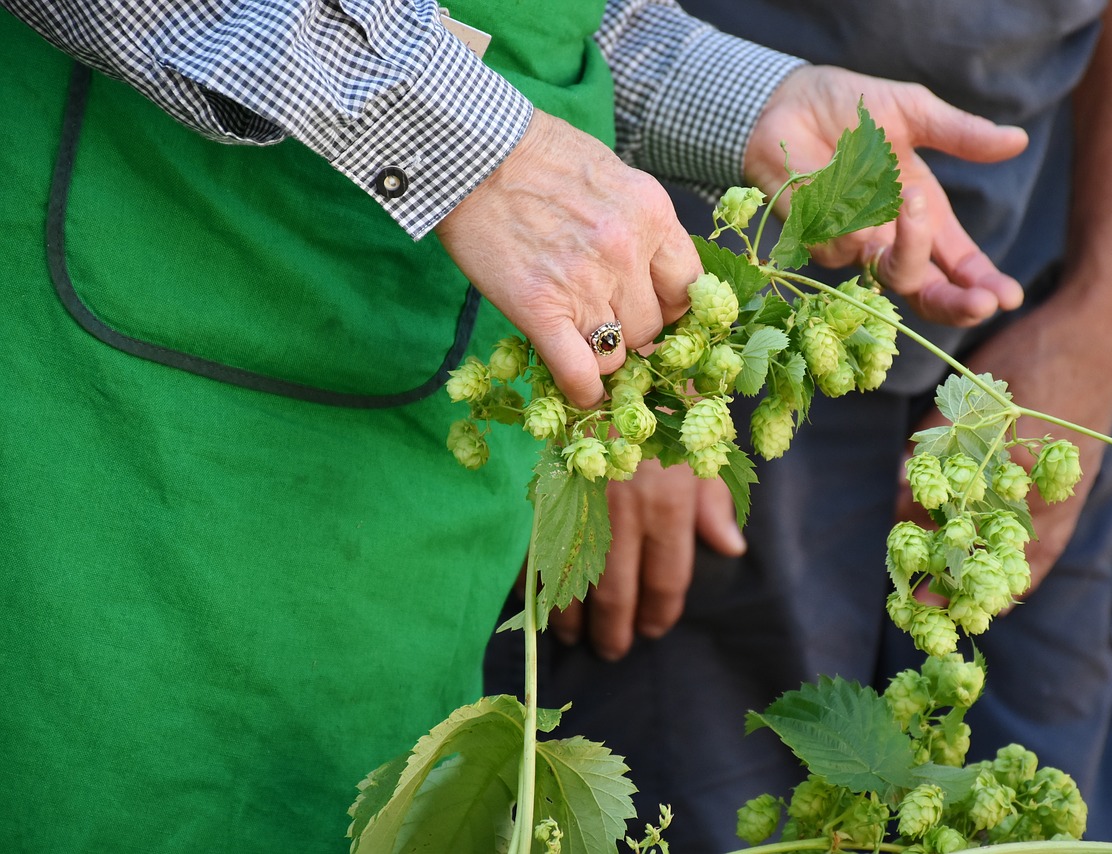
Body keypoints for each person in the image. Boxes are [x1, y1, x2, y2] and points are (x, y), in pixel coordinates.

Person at [0, 1, 1038, 850]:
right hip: (130, 414)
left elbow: (524, 17)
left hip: (397, 470)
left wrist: (738, 98)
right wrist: (466, 143)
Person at [486, 0, 1112, 848]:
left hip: (1035, 336)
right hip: (691, 341)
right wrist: (623, 369)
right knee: (706, 808)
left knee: (1034, 811)